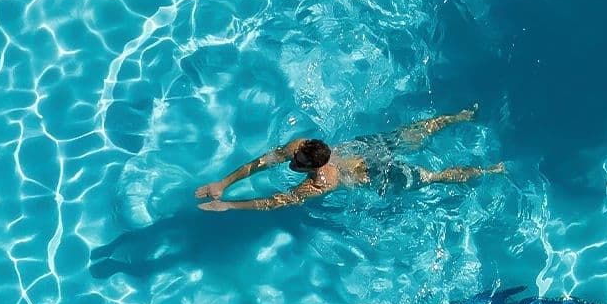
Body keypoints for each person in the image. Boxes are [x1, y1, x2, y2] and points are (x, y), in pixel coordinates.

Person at [195, 106, 503, 211]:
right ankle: (460, 116)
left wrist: (229, 205)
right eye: (294, 159)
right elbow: (260, 163)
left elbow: (275, 202)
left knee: (431, 176)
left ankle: (491, 169)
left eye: (298, 165)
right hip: (366, 147)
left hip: (373, 175)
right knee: (409, 134)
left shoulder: (320, 184)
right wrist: (223, 182)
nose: (291, 163)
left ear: (312, 166)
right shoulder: (299, 146)